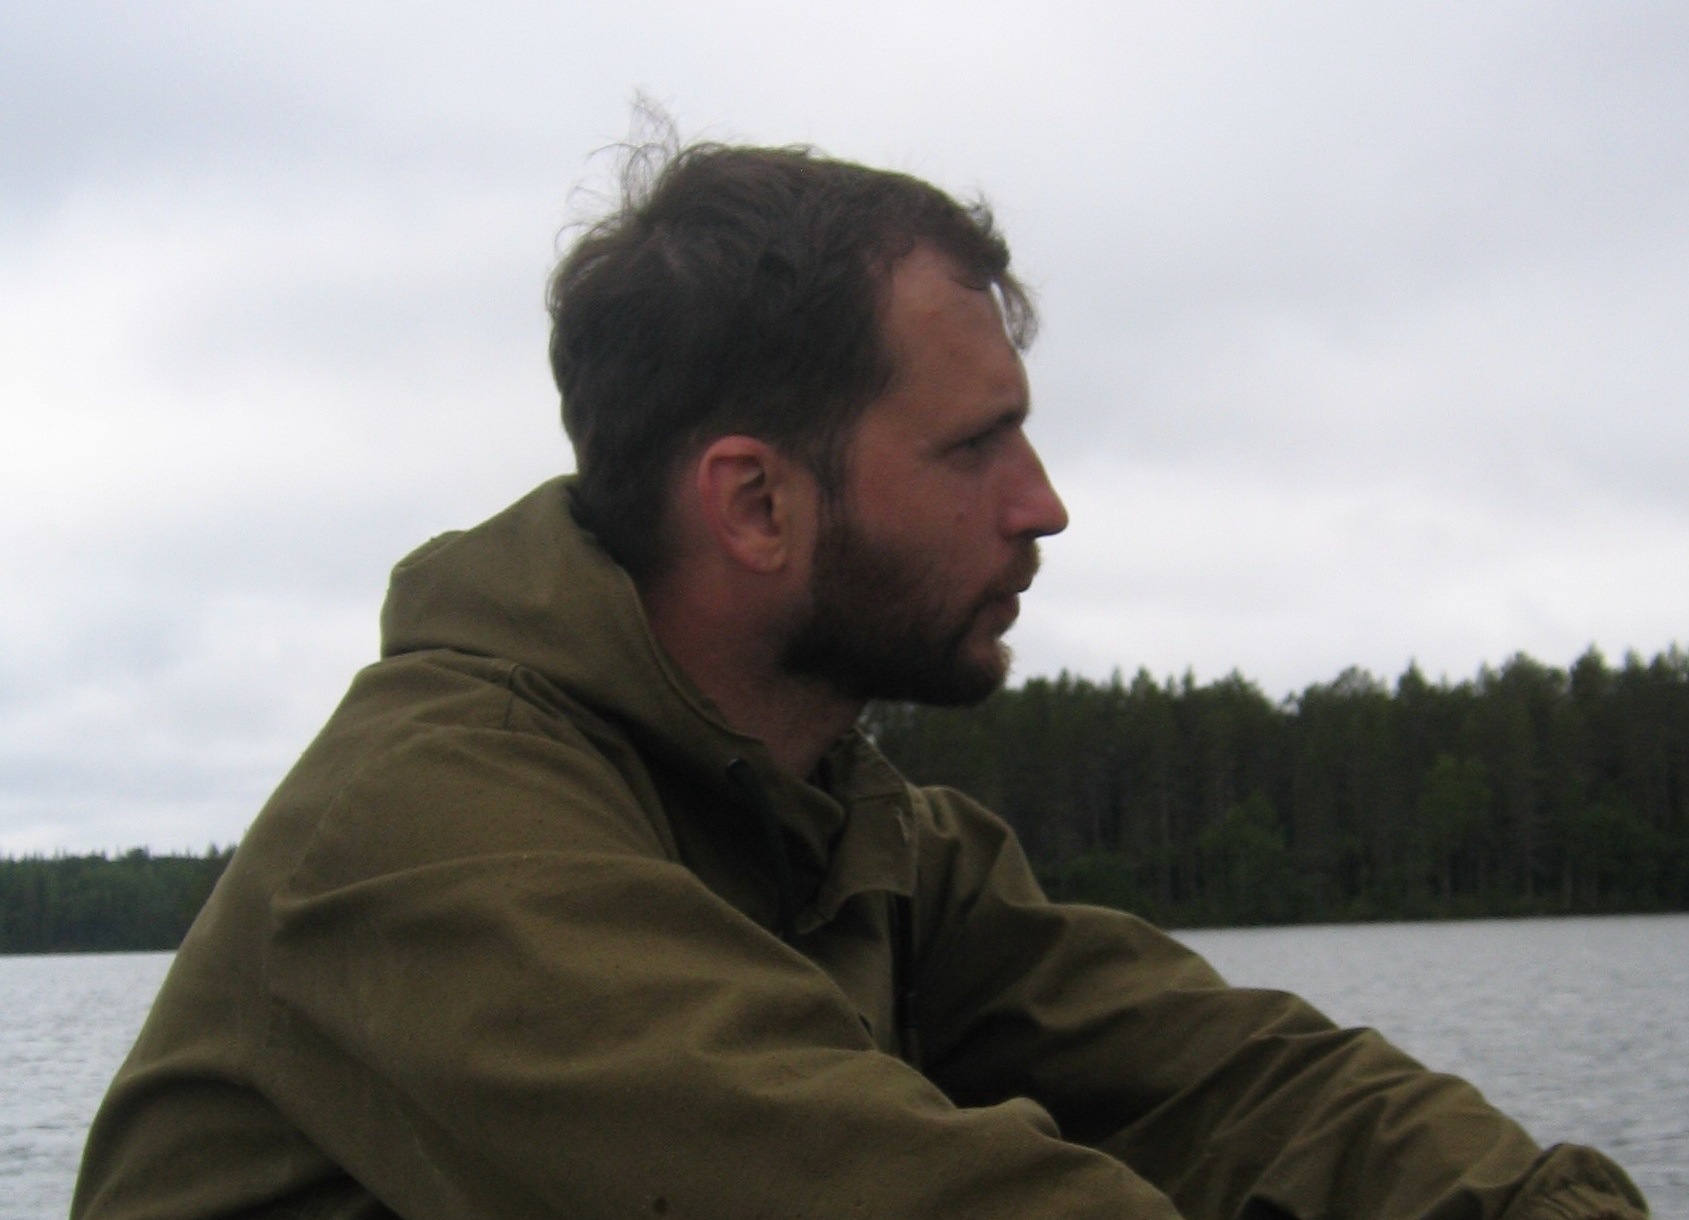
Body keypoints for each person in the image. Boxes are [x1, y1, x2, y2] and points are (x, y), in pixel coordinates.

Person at [72, 137, 1648, 1220]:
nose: (1043, 505)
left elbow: (1233, 1085)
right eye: (973, 448)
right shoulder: (428, 838)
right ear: (755, 503)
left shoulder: (852, 829)